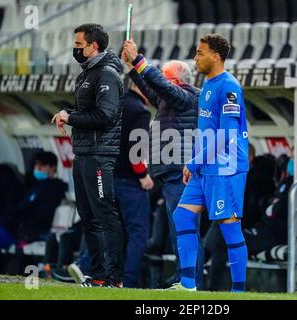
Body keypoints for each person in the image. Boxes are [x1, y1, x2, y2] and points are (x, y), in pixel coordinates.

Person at [168, 34, 250, 292]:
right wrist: (194, 162)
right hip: (205, 166)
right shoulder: (208, 86)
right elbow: (206, 130)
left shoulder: (229, 87)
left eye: (200, 53)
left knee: (229, 227)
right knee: (182, 215)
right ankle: (188, 284)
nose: (195, 58)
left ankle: (239, 292)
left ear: (216, 56)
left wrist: (193, 162)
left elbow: (225, 135)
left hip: (226, 168)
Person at [122, 39, 205, 289]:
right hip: (172, 175)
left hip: (182, 175)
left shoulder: (186, 96)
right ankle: (184, 278)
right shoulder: (170, 99)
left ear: (176, 81)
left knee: (185, 230)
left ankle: (190, 282)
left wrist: (140, 61)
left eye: (166, 79)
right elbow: (151, 89)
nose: (162, 84)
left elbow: (157, 84)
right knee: (177, 230)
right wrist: (132, 68)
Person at [52, 24, 124, 288]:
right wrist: (67, 113)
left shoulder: (106, 74)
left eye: (79, 46)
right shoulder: (87, 74)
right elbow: (88, 111)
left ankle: (113, 277)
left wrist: (70, 116)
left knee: (105, 215)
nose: (75, 50)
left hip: (99, 154)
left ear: (94, 46)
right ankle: (97, 274)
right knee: (88, 216)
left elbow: (105, 115)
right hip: (84, 152)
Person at [0, 151, 67, 273]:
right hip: (16, 229)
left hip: (15, 230)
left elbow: (38, 215)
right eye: (36, 166)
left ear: (52, 167)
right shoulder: (33, 187)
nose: (37, 169)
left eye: (41, 166)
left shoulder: (54, 188)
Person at [114, 83, 153, 288]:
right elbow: (136, 151)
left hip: (108, 176)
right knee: (138, 232)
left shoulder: (115, 104)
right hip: (130, 182)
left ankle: (94, 271)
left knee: (111, 229)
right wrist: (144, 176)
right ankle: (128, 282)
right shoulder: (140, 111)